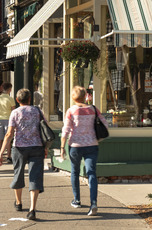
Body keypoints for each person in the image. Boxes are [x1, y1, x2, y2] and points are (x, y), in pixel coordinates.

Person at [0, 88, 45, 221]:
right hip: (37, 146)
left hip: (19, 148)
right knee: (35, 176)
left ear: (17, 100)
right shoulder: (37, 111)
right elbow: (44, 128)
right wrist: (46, 147)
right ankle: (32, 208)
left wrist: (1, 153)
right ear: (30, 99)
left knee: (18, 174)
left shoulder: (15, 112)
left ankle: (18, 202)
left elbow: (9, 134)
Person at [60, 85, 108, 216]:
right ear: (85, 96)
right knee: (92, 173)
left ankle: (77, 200)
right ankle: (94, 203)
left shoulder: (71, 111)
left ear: (73, 97)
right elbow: (105, 124)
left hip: (75, 146)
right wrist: (96, 139)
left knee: (75, 172)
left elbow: (66, 130)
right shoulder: (93, 109)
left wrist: (62, 147)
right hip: (92, 145)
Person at [0, 82, 15, 163]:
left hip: (0, 119)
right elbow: (13, 110)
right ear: (10, 90)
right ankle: (9, 156)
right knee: (8, 138)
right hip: (8, 119)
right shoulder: (10, 99)